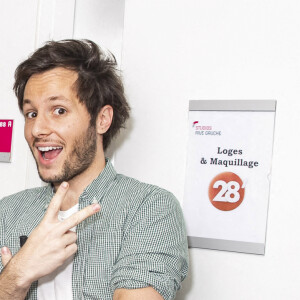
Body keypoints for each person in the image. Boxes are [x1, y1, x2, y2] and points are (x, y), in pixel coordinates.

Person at [0, 39, 189, 300]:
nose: (37, 129)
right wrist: (18, 273)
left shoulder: (148, 207)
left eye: (59, 110)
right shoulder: (8, 213)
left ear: (102, 119)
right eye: (31, 113)